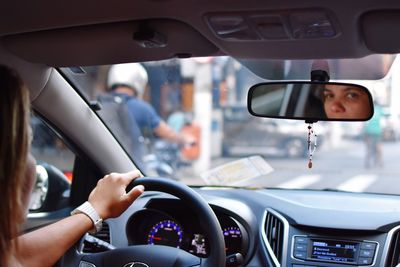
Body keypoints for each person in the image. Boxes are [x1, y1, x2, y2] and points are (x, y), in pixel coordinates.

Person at [0, 65, 145, 267]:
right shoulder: (139, 106)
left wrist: (94, 210)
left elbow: (16, 256)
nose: (31, 162)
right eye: (26, 146)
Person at [107, 63, 194, 146]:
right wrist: (185, 139)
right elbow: (167, 133)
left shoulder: (102, 104)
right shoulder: (140, 108)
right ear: (138, 81)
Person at [364, 101, 384, 168]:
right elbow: (383, 122)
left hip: (370, 132)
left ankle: (368, 162)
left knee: (369, 148)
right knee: (378, 148)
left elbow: (365, 123)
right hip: (377, 132)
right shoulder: (379, 110)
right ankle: (379, 162)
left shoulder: (367, 109)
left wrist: (364, 133)